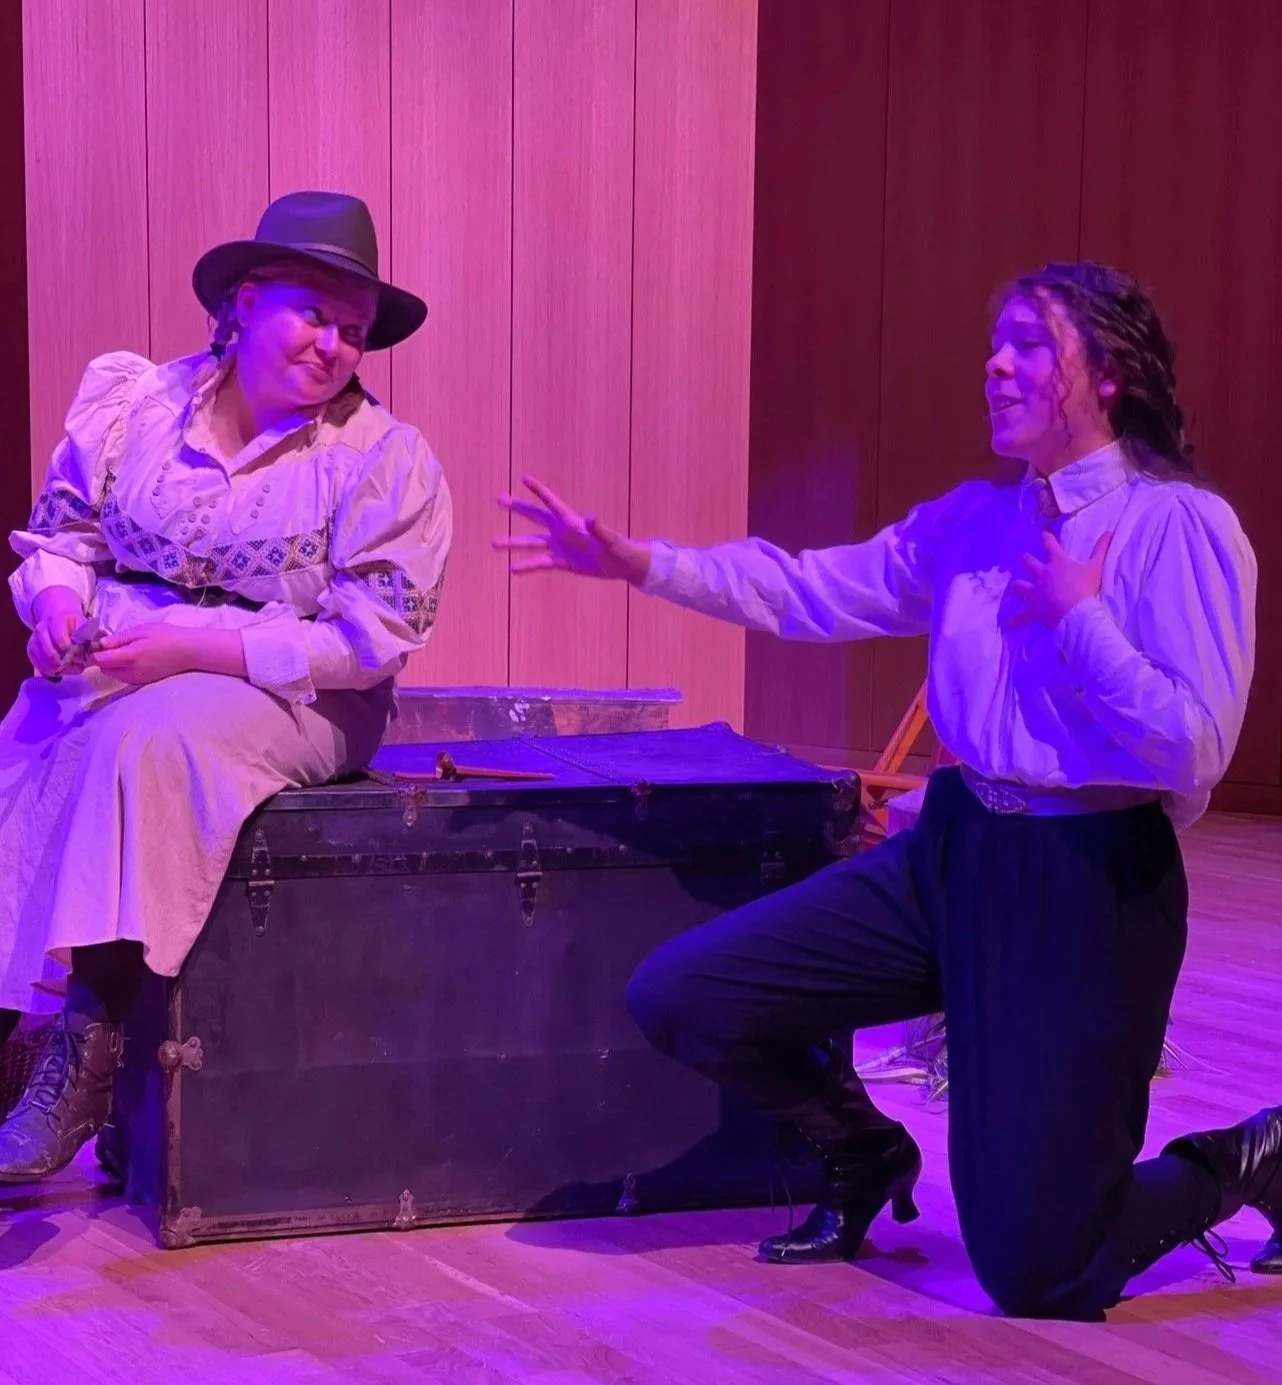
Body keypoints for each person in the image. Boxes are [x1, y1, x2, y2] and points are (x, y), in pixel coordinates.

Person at [495, 261, 1279, 1319]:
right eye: (994, 342)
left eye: (1029, 342)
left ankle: (1245, 1157)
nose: (996, 364)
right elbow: (808, 587)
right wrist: (641, 564)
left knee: (1039, 1269)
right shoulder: (973, 521)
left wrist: (1081, 619)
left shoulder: (1177, 526)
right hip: (953, 852)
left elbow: (1191, 749)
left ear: (1109, 372)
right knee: (684, 993)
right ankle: (860, 1151)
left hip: (1085, 879)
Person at [0, 191, 451, 1181]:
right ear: (244, 302)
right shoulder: (136, 409)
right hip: (122, 658)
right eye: (313, 312)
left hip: (302, 690)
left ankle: (89, 1046)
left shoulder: (380, 460)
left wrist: (196, 650)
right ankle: (10, 1034)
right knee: (37, 735)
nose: (334, 344)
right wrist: (60, 611)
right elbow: (63, 539)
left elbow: (371, 635)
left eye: (354, 330)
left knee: (150, 738)